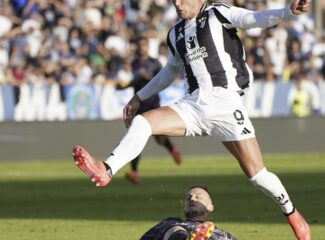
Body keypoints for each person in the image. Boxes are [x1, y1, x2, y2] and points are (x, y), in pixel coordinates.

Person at [72, 1, 312, 239]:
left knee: (257, 174)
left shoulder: (218, 12)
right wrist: (139, 95)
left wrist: (288, 11)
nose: (177, 3)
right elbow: (170, 70)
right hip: (193, 105)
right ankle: (107, 169)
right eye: (174, 0)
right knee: (143, 122)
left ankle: (291, 213)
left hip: (225, 103)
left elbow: (254, 19)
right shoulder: (175, 33)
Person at [117, 36, 182, 184]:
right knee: (135, 137)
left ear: (147, 46)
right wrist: (123, 87)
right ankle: (134, 172)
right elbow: (134, 81)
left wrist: (146, 75)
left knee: (158, 138)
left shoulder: (154, 63)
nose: (141, 48)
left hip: (152, 103)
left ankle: (172, 150)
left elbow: (160, 79)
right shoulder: (134, 63)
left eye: (144, 45)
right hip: (138, 105)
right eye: (139, 45)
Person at [140, 185, 237, 240]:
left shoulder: (222, 234)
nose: (192, 199)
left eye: (198, 197)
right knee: (174, 228)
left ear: (210, 206)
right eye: (188, 197)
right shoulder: (171, 222)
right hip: (177, 233)